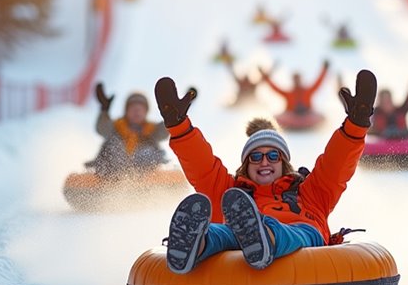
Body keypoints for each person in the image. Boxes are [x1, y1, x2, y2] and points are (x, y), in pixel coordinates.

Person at [153, 70, 377, 273]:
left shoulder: (310, 192)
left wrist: (356, 125)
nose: (264, 162)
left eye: (273, 156)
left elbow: (335, 165)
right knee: (222, 233)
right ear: (246, 165)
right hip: (239, 238)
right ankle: (195, 243)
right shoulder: (230, 192)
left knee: (294, 233)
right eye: (256, 157)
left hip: (301, 237)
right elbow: (201, 165)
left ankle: (263, 236)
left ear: (283, 163)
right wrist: (179, 126)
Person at [84, 82, 168, 177]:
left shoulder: (152, 130)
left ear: (146, 112)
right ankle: (111, 177)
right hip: (113, 172)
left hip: (145, 174)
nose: (137, 111)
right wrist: (104, 110)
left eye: (140, 109)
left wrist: (170, 115)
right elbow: (101, 129)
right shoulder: (117, 127)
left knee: (149, 152)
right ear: (126, 111)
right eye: (133, 108)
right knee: (114, 145)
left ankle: (140, 178)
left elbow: (165, 131)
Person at [370, 61, 408, 140]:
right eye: (383, 101)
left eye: (388, 100)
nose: (386, 104)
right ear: (379, 102)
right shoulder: (375, 113)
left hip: (404, 143)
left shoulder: (401, 110)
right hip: (382, 146)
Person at [259, 60, 330, 115]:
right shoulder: (289, 94)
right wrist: (265, 76)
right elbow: (275, 88)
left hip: (308, 116)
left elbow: (318, 82)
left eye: (298, 79)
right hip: (291, 117)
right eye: (295, 79)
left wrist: (324, 69)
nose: (297, 81)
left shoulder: (307, 91)